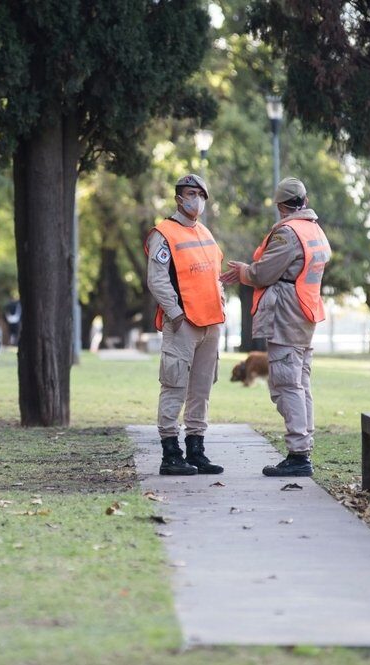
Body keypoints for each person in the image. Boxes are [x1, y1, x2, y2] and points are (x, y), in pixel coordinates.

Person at [220, 177, 332, 477]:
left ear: (281, 206)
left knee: (285, 383)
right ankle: (303, 446)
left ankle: (298, 455)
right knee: (300, 383)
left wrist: (245, 271)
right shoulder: (315, 230)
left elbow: (264, 272)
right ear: (304, 201)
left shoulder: (288, 232)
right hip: (306, 314)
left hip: (286, 315)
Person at [144, 174, 226, 476]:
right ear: (179, 198)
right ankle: (170, 453)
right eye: (192, 194)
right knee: (174, 385)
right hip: (183, 323)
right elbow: (157, 279)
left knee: (201, 390)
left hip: (211, 323)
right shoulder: (164, 233)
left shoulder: (205, 231)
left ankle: (196, 449)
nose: (197, 200)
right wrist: (176, 314)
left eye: (202, 194)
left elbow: (214, 275)